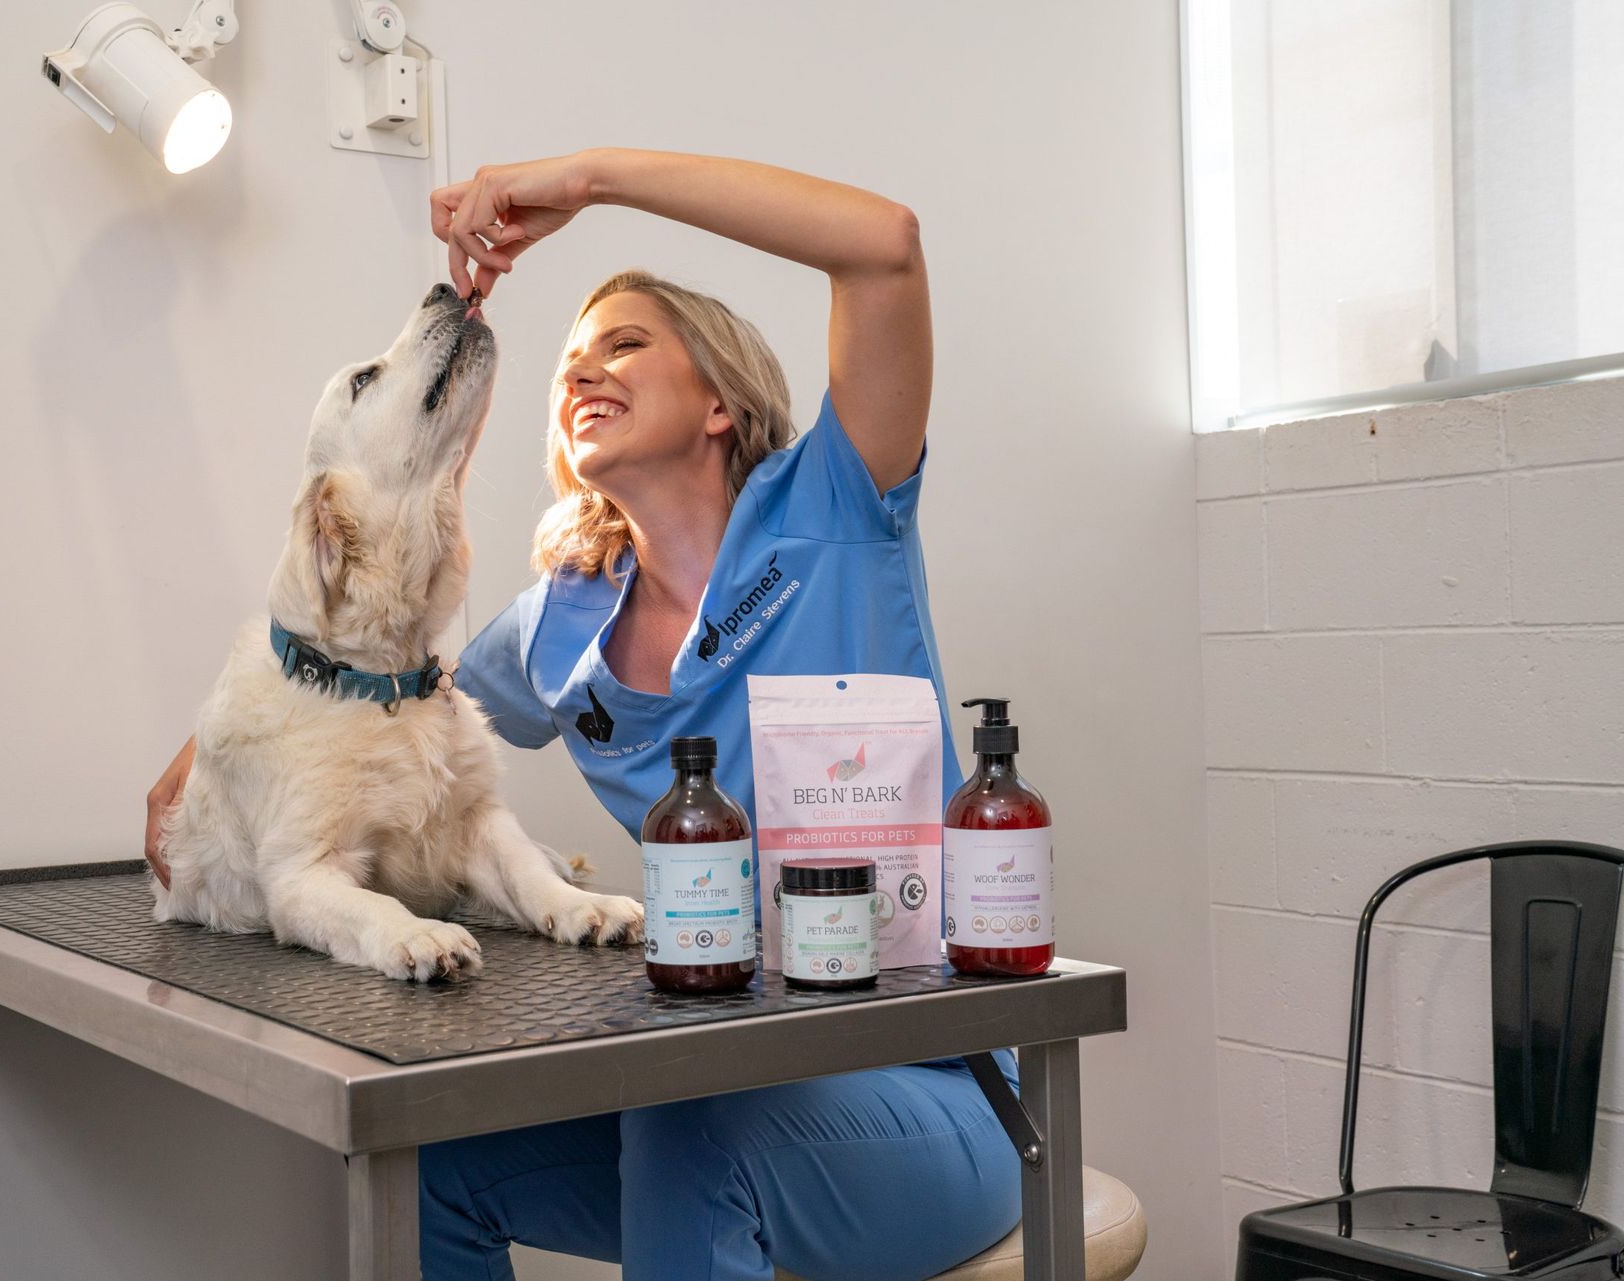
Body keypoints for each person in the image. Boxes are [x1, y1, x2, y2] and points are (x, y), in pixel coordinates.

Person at [145, 148, 1022, 1281]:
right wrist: (214, 750)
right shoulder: (562, 623)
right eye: (568, 363)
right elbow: (377, 683)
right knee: (436, 1170)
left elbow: (887, 244)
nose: (582, 371)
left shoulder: (837, 510)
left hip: (935, 1080)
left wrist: (596, 179)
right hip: (741, 1065)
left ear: (718, 399)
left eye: (624, 343)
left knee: (680, 1119)